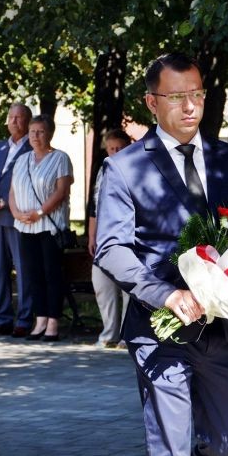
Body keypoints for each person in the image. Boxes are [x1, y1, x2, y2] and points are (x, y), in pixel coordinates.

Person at [95, 52, 228, 456]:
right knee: (171, 451)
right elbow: (111, 248)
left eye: (197, 95)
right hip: (159, 329)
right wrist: (164, 294)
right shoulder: (124, 168)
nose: (190, 107)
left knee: (225, 446)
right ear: (152, 102)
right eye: (177, 97)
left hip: (219, 330)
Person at [9, 115, 74, 342]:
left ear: (50, 134)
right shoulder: (21, 160)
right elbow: (13, 191)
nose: (35, 136)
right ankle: (40, 319)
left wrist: (39, 212)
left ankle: (53, 321)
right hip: (25, 226)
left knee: (51, 274)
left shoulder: (60, 158)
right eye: (32, 131)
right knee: (32, 274)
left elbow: (61, 191)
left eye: (40, 131)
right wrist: (16, 213)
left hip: (49, 226)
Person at [0, 103, 34, 338]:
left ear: (28, 121)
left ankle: (24, 319)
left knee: (22, 268)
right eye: (11, 117)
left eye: (19, 117)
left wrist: (7, 200)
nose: (13, 121)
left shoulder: (33, 147)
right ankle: (2, 318)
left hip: (18, 216)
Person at [87, 129, 133, 348]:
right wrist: (91, 236)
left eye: (120, 148)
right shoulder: (103, 170)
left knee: (128, 288)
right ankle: (109, 333)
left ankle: (127, 335)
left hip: (127, 235)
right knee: (102, 284)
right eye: (112, 148)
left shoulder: (135, 169)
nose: (115, 152)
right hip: (103, 235)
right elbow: (94, 205)